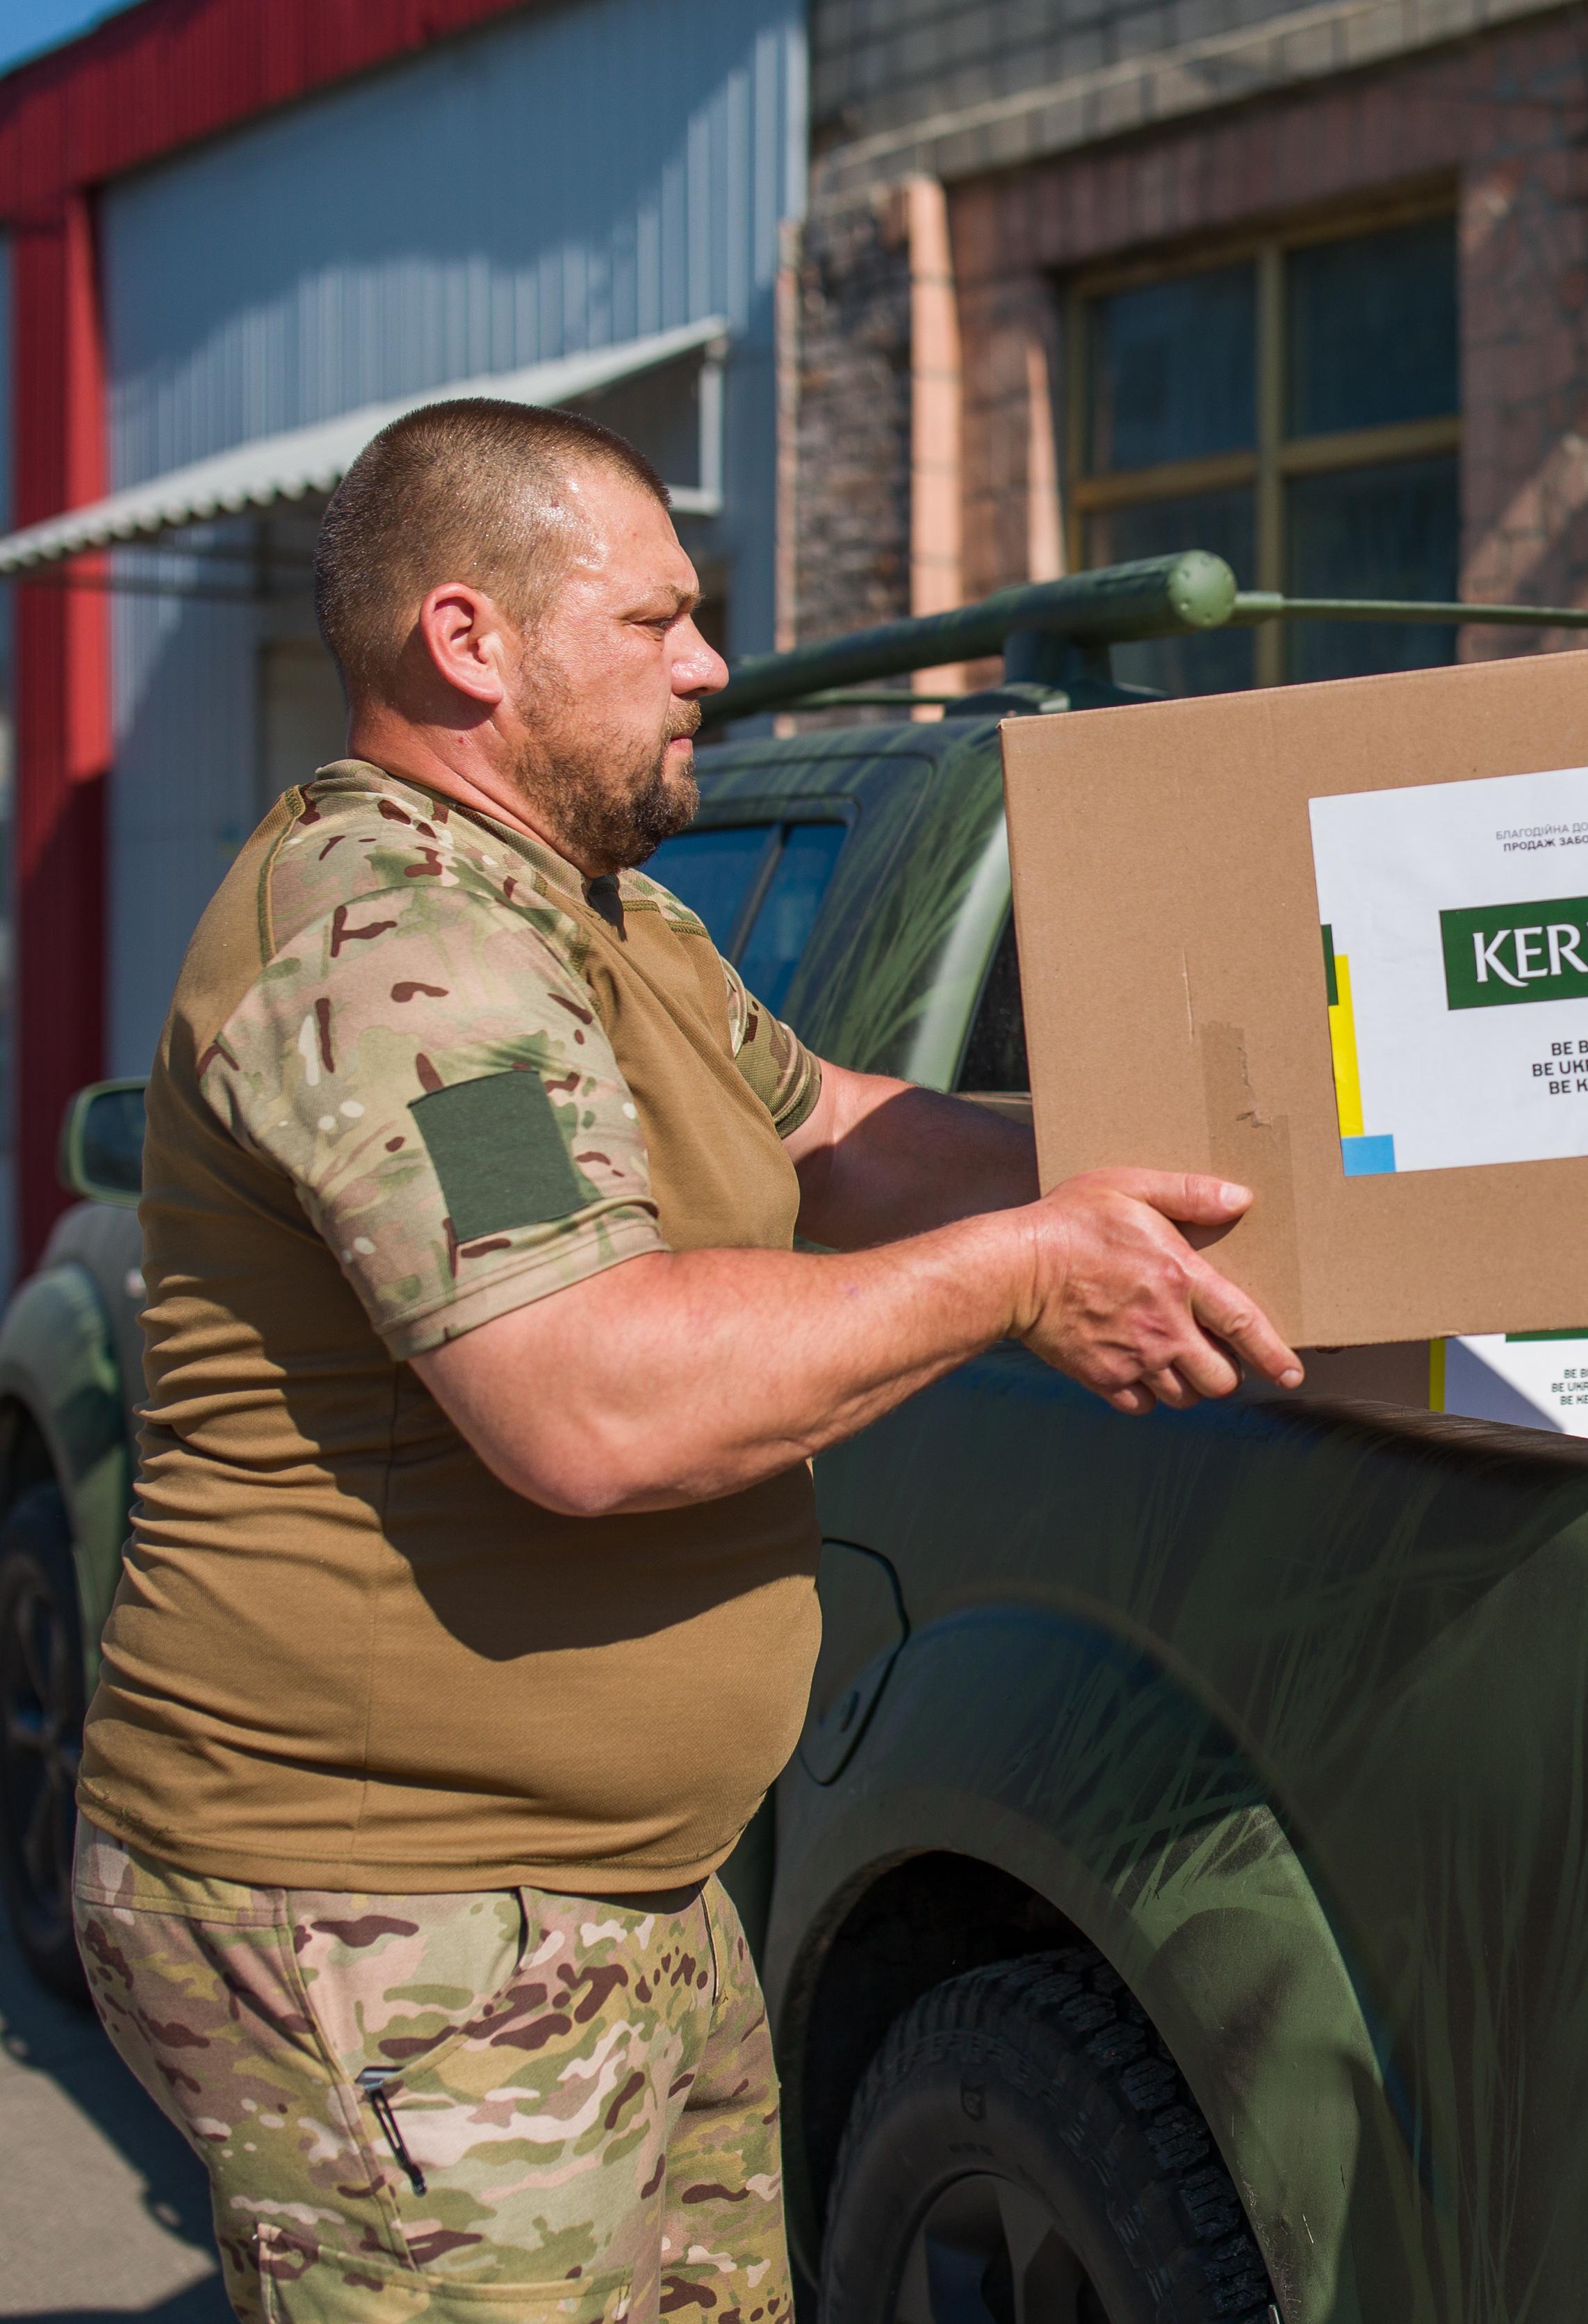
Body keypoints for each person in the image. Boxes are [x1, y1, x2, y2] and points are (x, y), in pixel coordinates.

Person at [72, 399, 1300, 2323]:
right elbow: (583, 1399)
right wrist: (1017, 1279)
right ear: (472, 643)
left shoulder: (598, 915)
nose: (710, 663)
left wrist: (1210, 1188)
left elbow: (842, 1133)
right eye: (658, 621)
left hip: (615, 1893)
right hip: (390, 1924)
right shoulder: (393, 944)